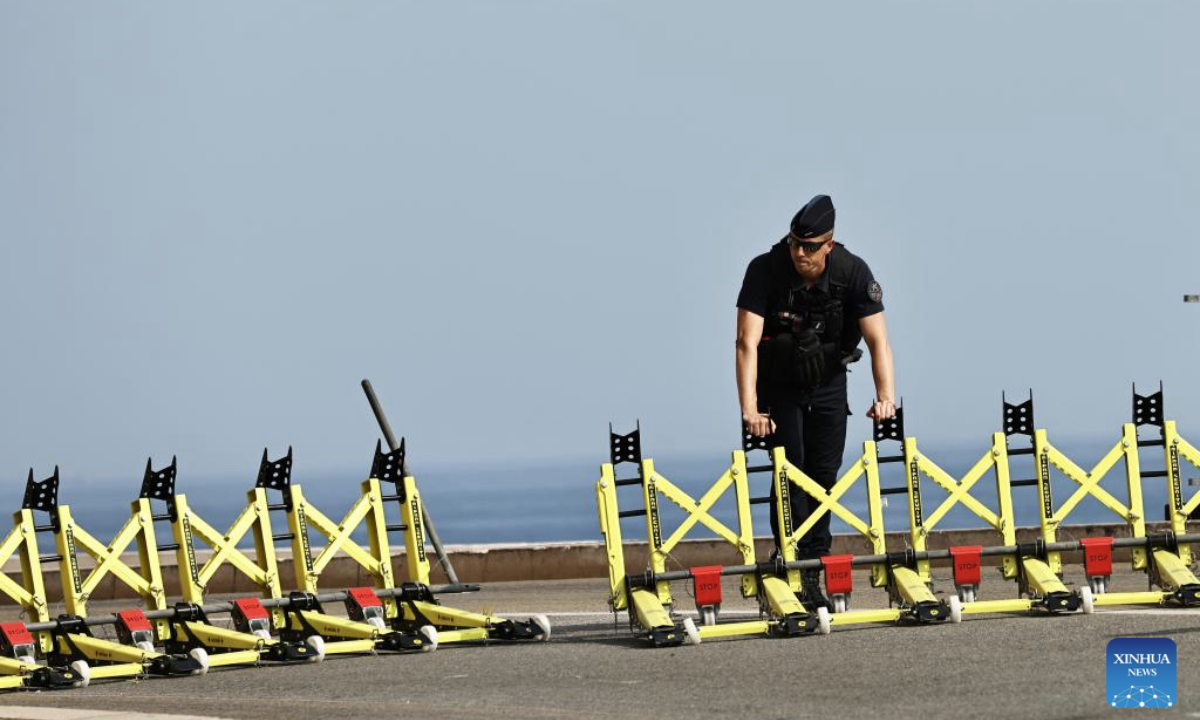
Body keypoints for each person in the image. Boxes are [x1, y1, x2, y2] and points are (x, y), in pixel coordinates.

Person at [735, 194, 896, 573]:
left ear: (829, 244)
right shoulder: (765, 270)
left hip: (828, 383)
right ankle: (793, 556)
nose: (799, 253)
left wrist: (885, 397)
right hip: (779, 387)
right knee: (790, 472)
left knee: (823, 473)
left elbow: (878, 341)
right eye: (794, 243)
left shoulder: (851, 272)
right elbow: (746, 342)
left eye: (809, 247)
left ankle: (818, 559)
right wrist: (750, 409)